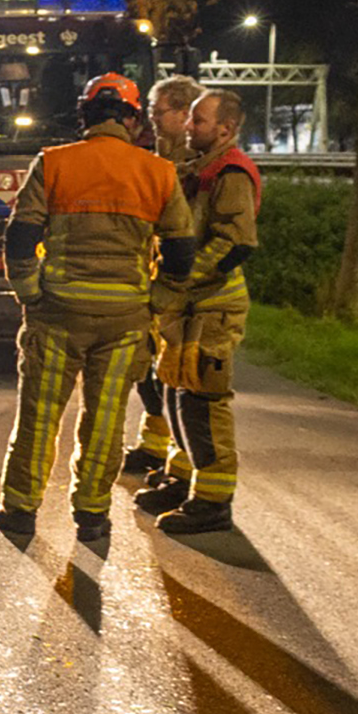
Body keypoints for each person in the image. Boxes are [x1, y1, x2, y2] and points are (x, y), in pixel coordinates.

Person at [0, 74, 195, 542]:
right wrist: (158, 301)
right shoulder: (158, 172)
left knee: (40, 416)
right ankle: (92, 516)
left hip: (58, 313)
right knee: (105, 419)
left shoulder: (54, 163)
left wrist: (28, 291)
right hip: (125, 321)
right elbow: (181, 250)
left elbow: (21, 236)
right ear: (132, 119)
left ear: (85, 115)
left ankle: (21, 510)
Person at [133, 89, 260, 534]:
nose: (189, 126)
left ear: (225, 129)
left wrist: (180, 279)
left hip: (212, 307)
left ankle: (212, 500)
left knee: (203, 402)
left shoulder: (231, 174)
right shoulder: (199, 168)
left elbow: (234, 242)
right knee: (175, 393)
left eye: (199, 121)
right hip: (187, 308)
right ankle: (182, 478)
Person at [124, 74, 208, 475]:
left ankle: (182, 464)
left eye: (160, 113)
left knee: (176, 376)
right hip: (153, 278)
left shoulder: (196, 167)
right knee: (149, 371)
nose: (152, 120)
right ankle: (154, 446)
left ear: (182, 114)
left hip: (182, 285)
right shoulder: (158, 159)